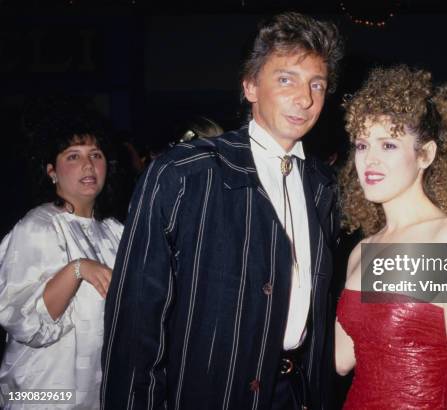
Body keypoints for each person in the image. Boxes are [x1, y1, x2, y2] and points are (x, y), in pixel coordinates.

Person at [101, 12, 343, 410]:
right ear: (250, 86)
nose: (306, 98)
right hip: (208, 393)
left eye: (317, 84)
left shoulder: (323, 185)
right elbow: (136, 323)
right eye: (286, 79)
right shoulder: (185, 172)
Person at [335, 66, 447, 409]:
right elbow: (342, 360)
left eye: (388, 144)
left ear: (425, 155)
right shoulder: (362, 250)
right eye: (362, 145)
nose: (370, 159)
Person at [0, 108, 123, 409]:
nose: (88, 165)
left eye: (96, 155)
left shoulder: (114, 231)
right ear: (51, 171)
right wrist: (77, 269)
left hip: (95, 393)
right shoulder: (37, 227)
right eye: (73, 156)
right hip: (43, 394)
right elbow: (22, 321)